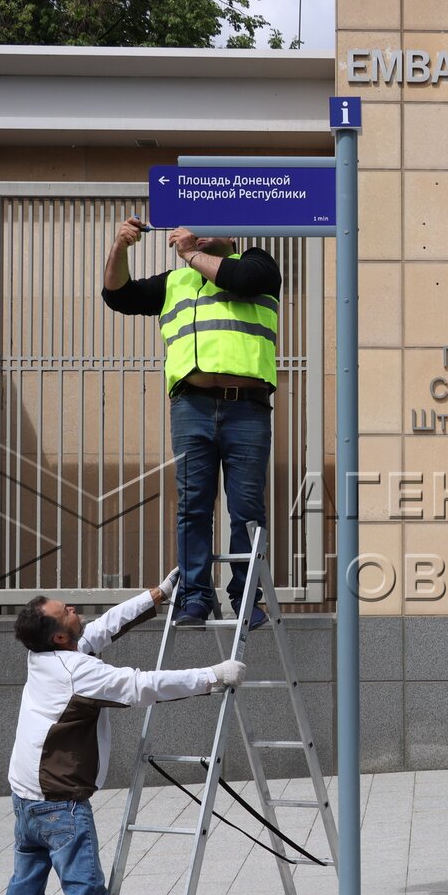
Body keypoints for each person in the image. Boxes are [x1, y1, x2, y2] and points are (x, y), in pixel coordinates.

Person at [0, 570, 247, 895]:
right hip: (60, 806)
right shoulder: (78, 671)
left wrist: (158, 595)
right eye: (64, 610)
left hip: (26, 799)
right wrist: (214, 675)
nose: (73, 609)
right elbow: (140, 686)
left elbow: (105, 625)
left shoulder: (46, 657)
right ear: (57, 635)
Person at [102, 218, 282, 630]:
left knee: (247, 509)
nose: (199, 232)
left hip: (247, 409)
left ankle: (245, 596)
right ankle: (195, 597)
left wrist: (189, 253)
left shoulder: (257, 264)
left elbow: (242, 278)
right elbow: (118, 295)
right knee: (192, 507)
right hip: (192, 408)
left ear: (234, 234)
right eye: (193, 226)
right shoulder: (176, 282)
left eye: (211, 224)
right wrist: (120, 247)